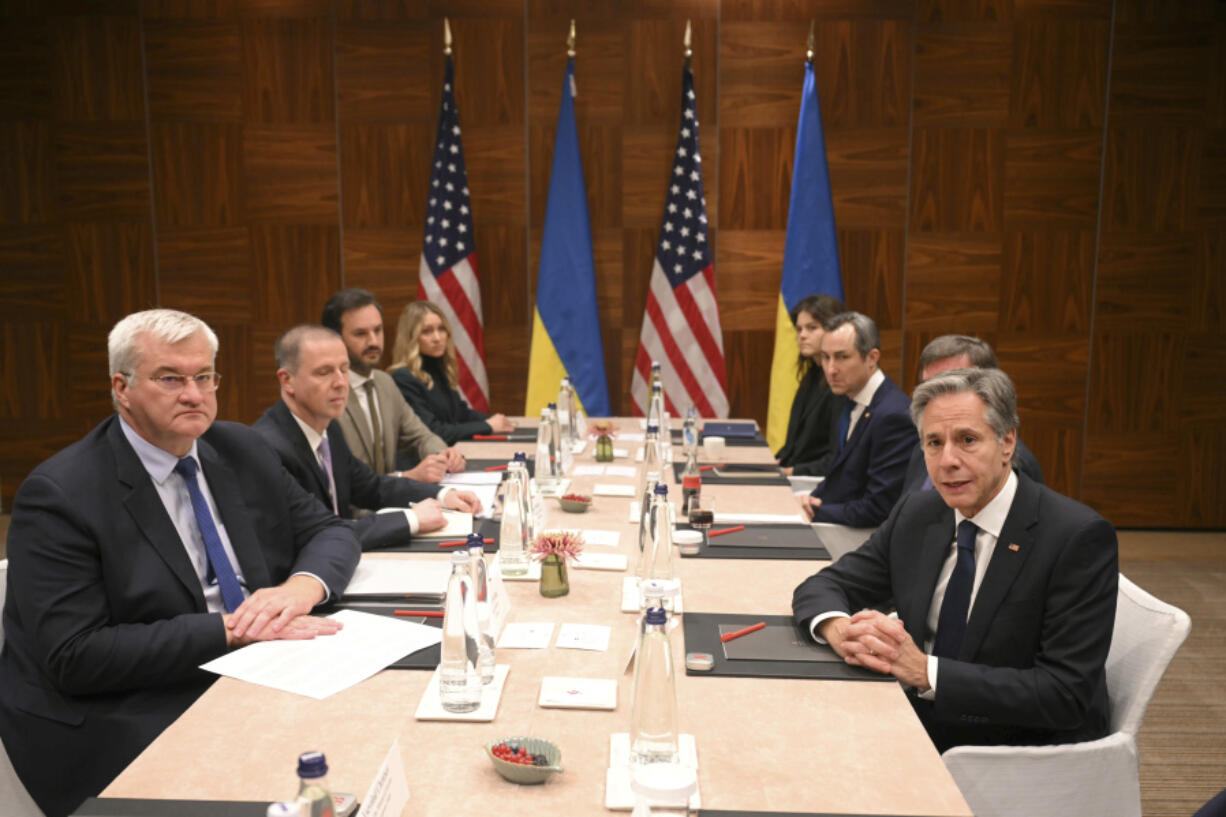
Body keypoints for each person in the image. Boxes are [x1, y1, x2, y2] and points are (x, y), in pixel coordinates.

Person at [0, 309, 359, 817]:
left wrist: (298, 589)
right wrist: (234, 629)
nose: (194, 394)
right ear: (121, 388)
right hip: (124, 705)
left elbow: (331, 529)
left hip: (252, 668)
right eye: (170, 378)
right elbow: (76, 655)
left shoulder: (239, 447)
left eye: (204, 376)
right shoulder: (60, 494)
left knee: (367, 729)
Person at [793, 367, 1118, 752]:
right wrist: (840, 630)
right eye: (934, 442)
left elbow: (1064, 693)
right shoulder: (919, 512)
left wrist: (926, 672)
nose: (947, 460)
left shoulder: (1075, 538)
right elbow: (825, 585)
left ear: (1007, 442)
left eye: (967, 440)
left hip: (1012, 745)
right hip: (914, 715)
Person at [253, 325, 482, 551]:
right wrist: (410, 520)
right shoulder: (268, 448)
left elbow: (371, 487)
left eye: (344, 369)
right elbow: (318, 531)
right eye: (324, 372)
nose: (341, 383)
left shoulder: (328, 427)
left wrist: (443, 495)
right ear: (287, 381)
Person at [321, 289, 466, 481]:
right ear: (336, 338)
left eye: (377, 330)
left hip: (391, 501)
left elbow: (420, 436)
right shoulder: (327, 393)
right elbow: (345, 481)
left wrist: (443, 454)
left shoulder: (384, 382)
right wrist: (407, 476)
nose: (373, 341)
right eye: (360, 333)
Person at [797, 311, 914, 527]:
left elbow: (878, 508)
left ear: (872, 358)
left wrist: (814, 511)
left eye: (842, 357)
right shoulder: (849, 398)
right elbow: (839, 476)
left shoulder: (893, 416)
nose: (831, 369)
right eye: (826, 357)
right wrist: (808, 499)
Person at [899, 335, 1044, 496]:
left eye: (951, 385)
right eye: (928, 386)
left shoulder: (1016, 464)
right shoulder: (927, 444)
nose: (936, 398)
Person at [388, 301, 514, 445]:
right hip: (423, 462)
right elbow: (433, 431)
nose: (437, 338)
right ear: (411, 337)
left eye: (441, 329)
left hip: (451, 454)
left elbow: (461, 414)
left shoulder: (438, 367)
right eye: (427, 331)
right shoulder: (403, 378)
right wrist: (488, 426)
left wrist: (494, 420)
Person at [776, 293, 845, 477]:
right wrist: (775, 463)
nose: (802, 336)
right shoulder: (812, 374)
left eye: (812, 328)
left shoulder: (839, 381)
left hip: (813, 482)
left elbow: (836, 455)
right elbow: (795, 444)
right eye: (799, 329)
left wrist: (790, 471)